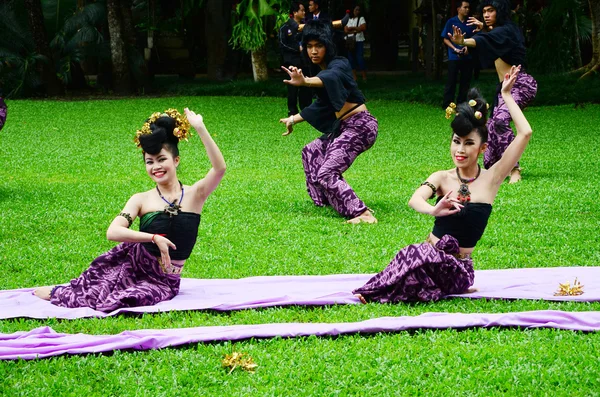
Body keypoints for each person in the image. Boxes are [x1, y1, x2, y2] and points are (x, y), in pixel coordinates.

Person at [354, 66, 532, 303]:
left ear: (482, 149)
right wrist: (433, 210)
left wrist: (507, 95)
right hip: (428, 256)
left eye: (469, 143)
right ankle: (379, 292)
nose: (460, 150)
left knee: (414, 255)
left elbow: (525, 133)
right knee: (413, 258)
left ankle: (381, 294)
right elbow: (415, 199)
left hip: (457, 269)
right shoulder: (441, 177)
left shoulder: (493, 177)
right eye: (456, 141)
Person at [34, 108, 226, 312]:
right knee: (88, 296)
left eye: (161, 159)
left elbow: (219, 168)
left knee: (130, 298)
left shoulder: (195, 194)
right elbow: (113, 232)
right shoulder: (141, 199)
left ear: (175, 161)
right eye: (149, 162)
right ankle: (58, 291)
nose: (156, 167)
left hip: (164, 280)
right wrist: (153, 238)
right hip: (131, 266)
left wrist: (200, 127)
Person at [278, 19, 378, 224]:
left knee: (327, 172)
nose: (313, 51)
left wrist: (305, 81)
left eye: (319, 46)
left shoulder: (339, 64)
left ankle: (362, 213)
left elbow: (330, 77)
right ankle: (328, 200)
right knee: (310, 151)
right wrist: (293, 119)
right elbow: (321, 106)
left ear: (328, 46)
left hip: (361, 126)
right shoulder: (319, 72)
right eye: (309, 46)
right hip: (343, 127)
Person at [448, 0, 537, 183]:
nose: (487, 15)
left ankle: (515, 170)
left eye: (491, 11)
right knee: (490, 128)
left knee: (500, 121)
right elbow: (490, 41)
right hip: (505, 87)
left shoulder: (506, 30)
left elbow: (486, 40)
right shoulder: (502, 32)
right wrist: (473, 41)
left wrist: (464, 40)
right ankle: (497, 167)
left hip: (520, 84)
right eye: (485, 11)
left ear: (501, 12)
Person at [280, 2, 313, 117]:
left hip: (305, 61)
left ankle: (307, 110)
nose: (304, 12)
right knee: (293, 88)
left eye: (304, 10)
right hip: (292, 62)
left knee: (306, 86)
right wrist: (297, 48)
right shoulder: (285, 27)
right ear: (294, 13)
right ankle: (292, 111)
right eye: (302, 10)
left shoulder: (306, 27)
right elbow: (282, 44)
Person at [441, 1, 475, 108]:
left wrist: (467, 47)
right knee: (451, 81)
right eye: (465, 7)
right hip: (454, 57)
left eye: (468, 7)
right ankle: (447, 104)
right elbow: (445, 39)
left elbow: (475, 39)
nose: (467, 10)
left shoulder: (470, 22)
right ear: (458, 9)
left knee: (465, 82)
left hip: (467, 56)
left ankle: (461, 104)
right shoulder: (451, 22)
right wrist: (455, 48)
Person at [344, 5, 368, 82]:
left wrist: (352, 28)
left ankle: (364, 76)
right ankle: (354, 77)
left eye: (358, 10)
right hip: (350, 41)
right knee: (351, 59)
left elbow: (363, 28)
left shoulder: (361, 18)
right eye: (356, 10)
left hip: (359, 40)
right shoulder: (349, 19)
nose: (357, 11)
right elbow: (346, 30)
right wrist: (356, 29)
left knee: (359, 58)